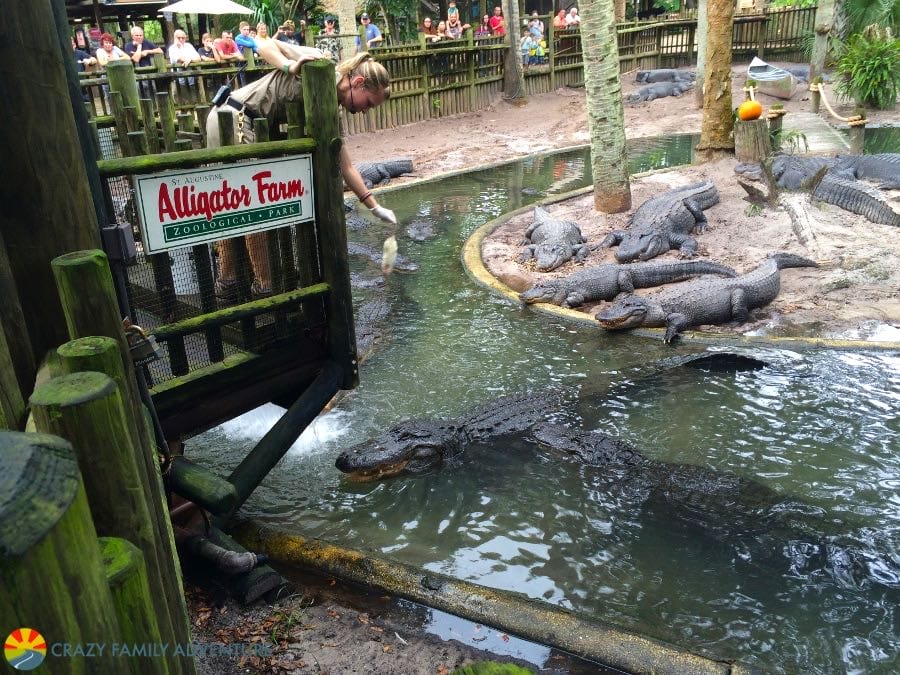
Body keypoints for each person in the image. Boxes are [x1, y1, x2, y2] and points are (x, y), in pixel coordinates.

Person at [205, 43, 397, 299]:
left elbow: (346, 164)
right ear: (359, 82)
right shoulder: (320, 62)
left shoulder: (329, 104)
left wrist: (374, 207)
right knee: (252, 207)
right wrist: (289, 66)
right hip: (234, 117)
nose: (365, 111)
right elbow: (264, 44)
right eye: (369, 103)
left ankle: (228, 284)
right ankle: (263, 287)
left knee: (235, 206)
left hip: (242, 121)